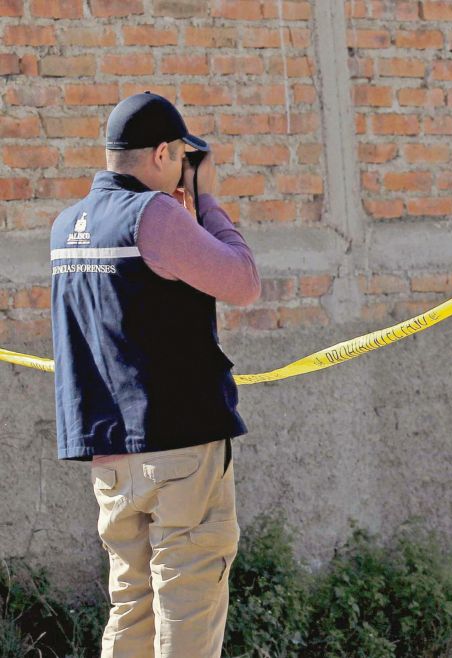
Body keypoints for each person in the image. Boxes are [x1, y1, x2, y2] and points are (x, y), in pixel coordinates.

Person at [49, 91, 260, 658]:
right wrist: (206, 199)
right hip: (180, 447)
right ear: (164, 153)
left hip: (111, 457)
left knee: (132, 608)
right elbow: (242, 280)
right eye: (181, 160)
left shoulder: (66, 227)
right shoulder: (156, 214)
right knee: (187, 607)